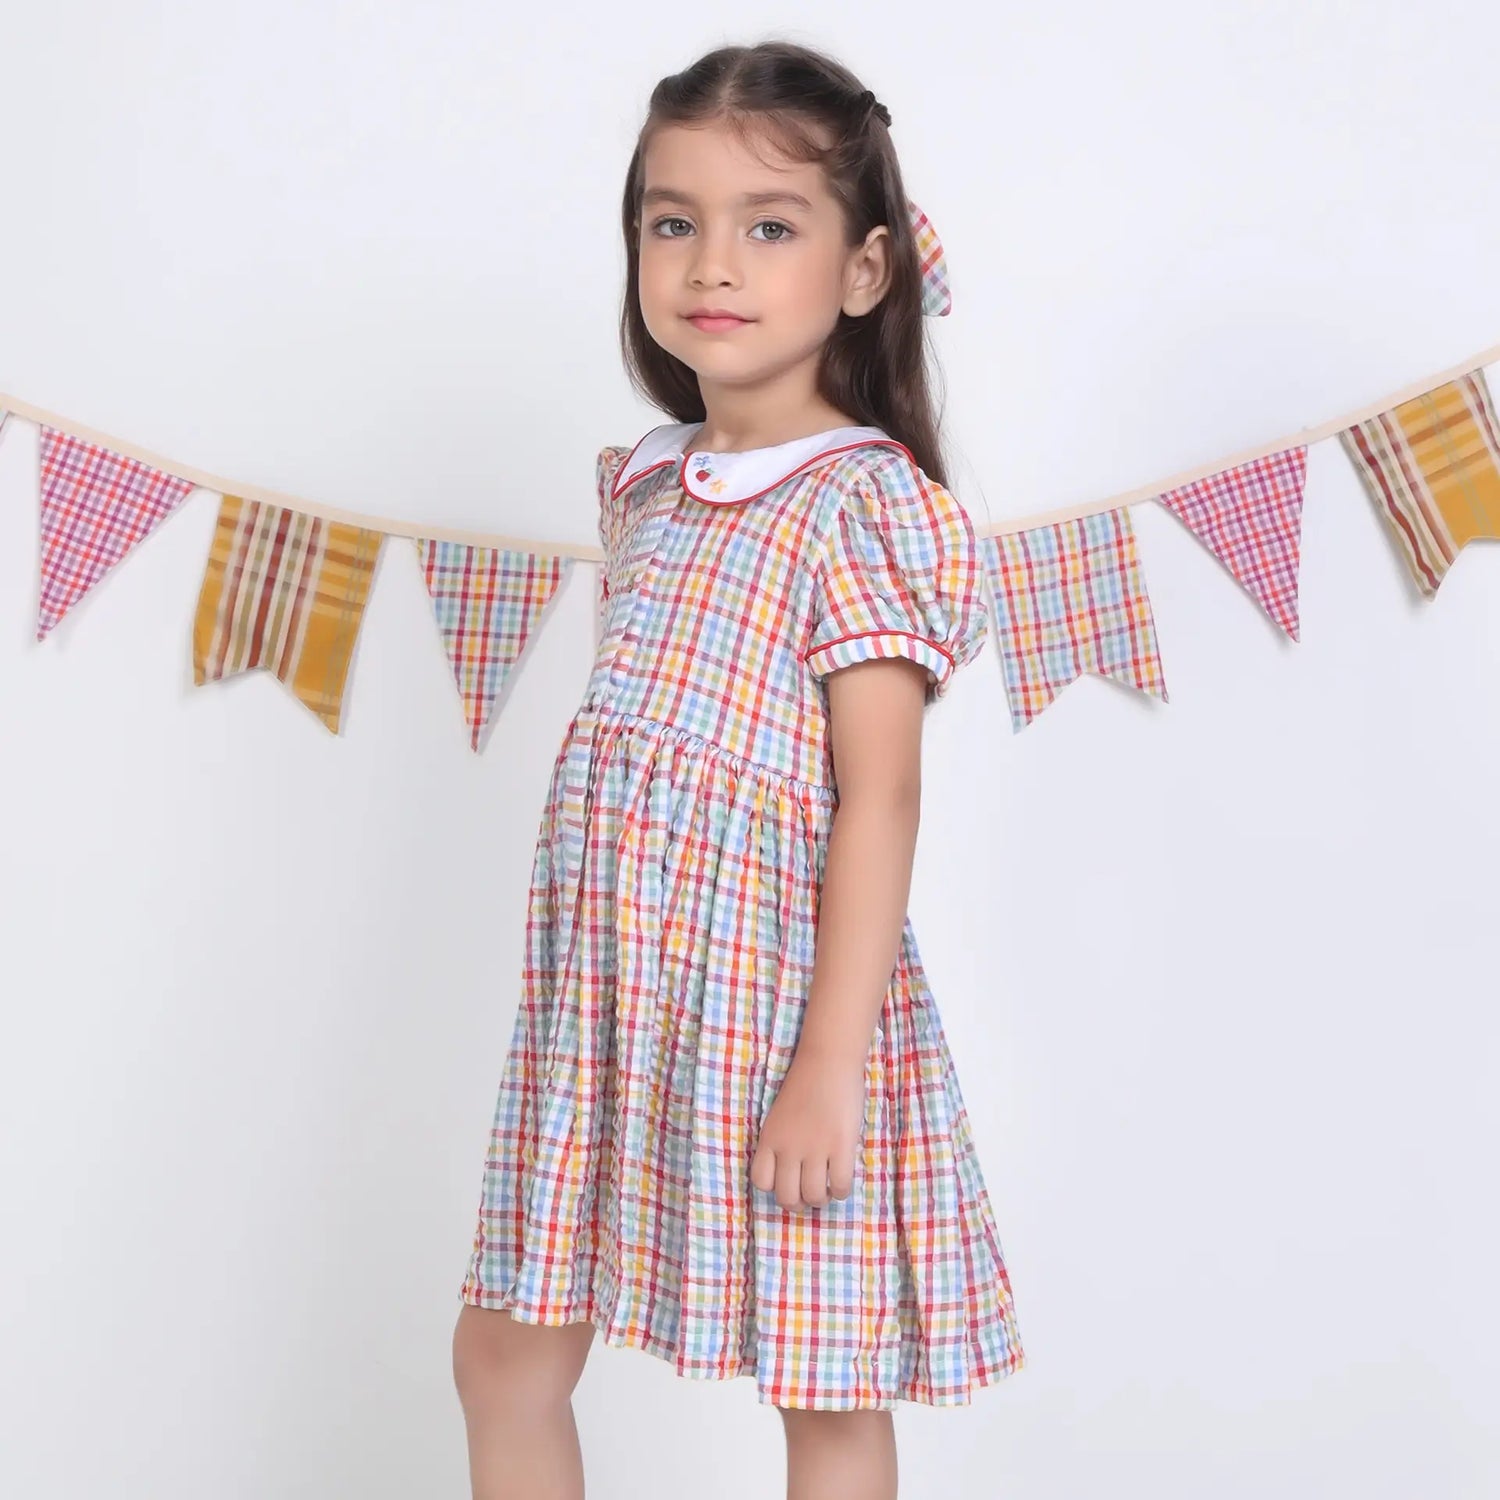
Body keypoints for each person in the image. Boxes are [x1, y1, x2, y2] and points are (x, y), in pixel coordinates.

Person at [450, 39, 1025, 1500]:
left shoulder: (867, 505)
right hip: (608, 1003)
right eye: (672, 219)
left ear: (862, 268)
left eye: (769, 224)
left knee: (823, 1386)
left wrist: (828, 1067)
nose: (713, 260)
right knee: (503, 1351)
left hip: (783, 1010)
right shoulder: (645, 482)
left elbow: (877, 798)